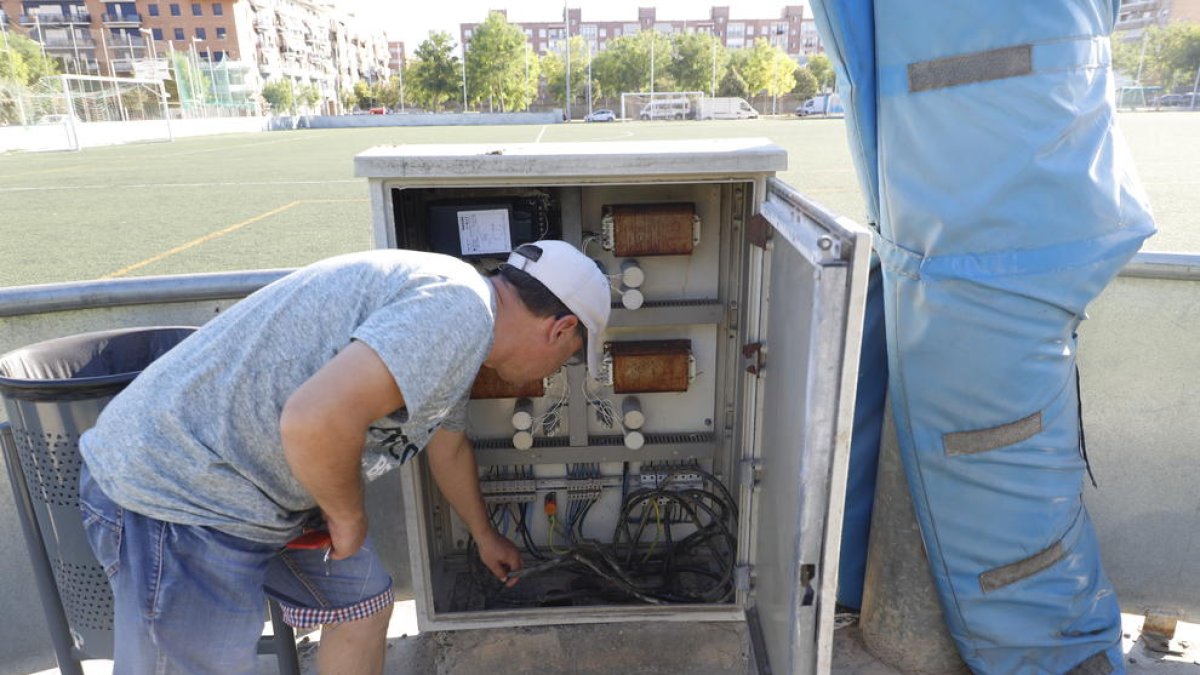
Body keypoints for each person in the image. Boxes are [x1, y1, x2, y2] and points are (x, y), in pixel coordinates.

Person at [78, 240, 611, 674]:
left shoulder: (464, 323)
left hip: (258, 491)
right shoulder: (458, 313)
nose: (550, 377)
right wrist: (347, 517)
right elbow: (314, 420)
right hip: (183, 489)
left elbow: (447, 446)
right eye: (566, 359)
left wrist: (485, 535)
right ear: (560, 328)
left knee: (362, 602)